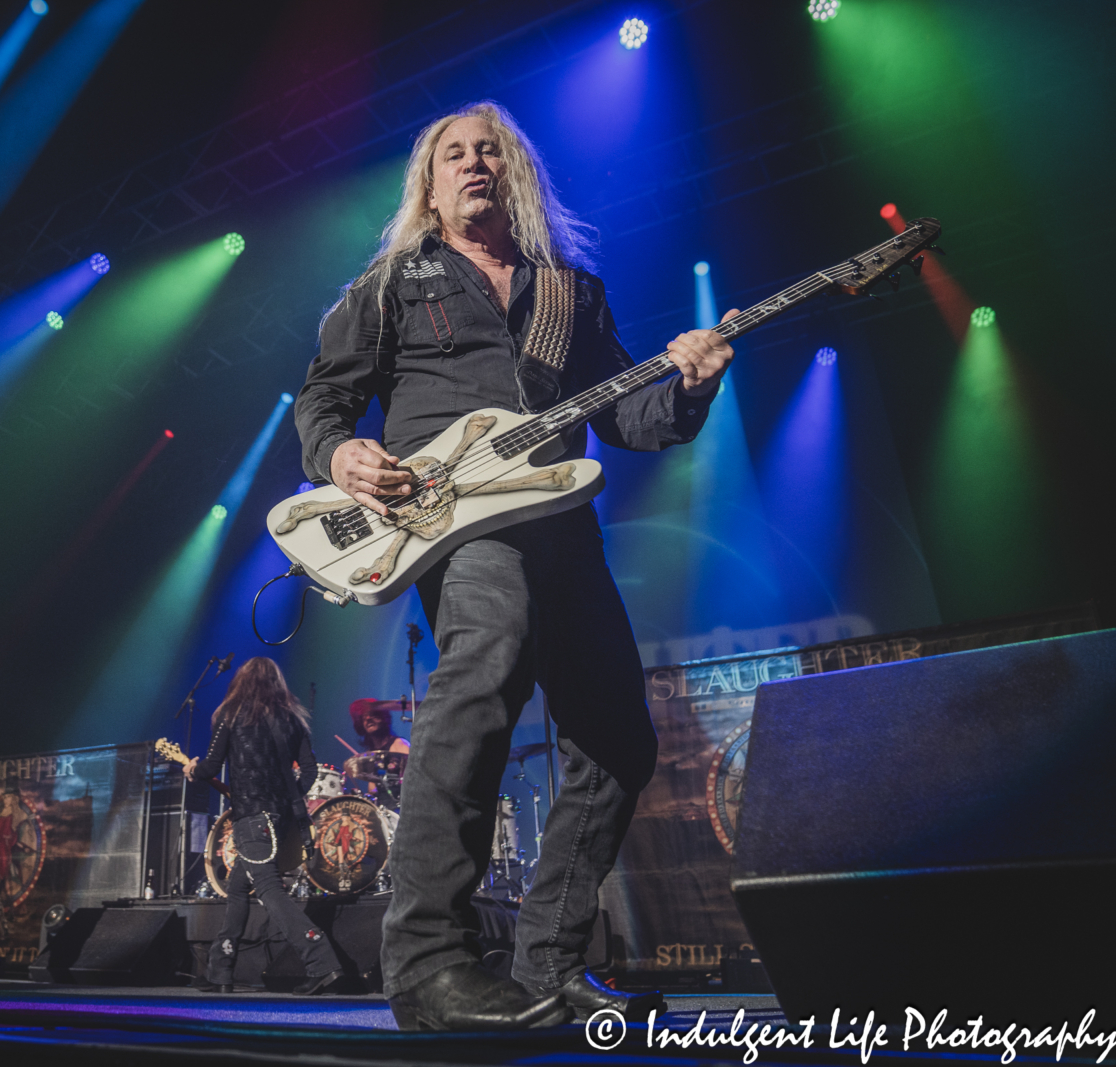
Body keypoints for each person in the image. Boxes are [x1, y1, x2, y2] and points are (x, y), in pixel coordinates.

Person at [294, 101, 736, 1030]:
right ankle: (425, 964)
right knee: (486, 660)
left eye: (488, 150)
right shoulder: (393, 282)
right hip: (449, 518)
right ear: (429, 180)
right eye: (451, 153)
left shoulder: (570, 291)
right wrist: (341, 456)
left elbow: (627, 418)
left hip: (563, 521)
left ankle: (548, 964)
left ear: (516, 171)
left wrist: (691, 385)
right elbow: (325, 399)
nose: (472, 162)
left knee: (619, 734)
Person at [185, 657, 344, 996]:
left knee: (270, 890)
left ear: (240, 682)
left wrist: (193, 770)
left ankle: (322, 962)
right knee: (239, 887)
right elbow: (311, 771)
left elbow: (211, 765)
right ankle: (220, 971)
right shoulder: (293, 719)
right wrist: (290, 800)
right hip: (280, 817)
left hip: (251, 818)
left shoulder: (230, 714)